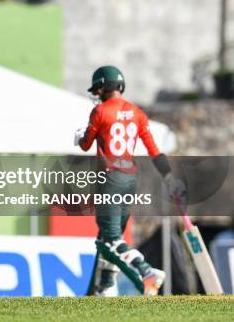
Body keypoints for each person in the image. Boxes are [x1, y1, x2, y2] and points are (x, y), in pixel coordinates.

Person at [75, 65, 185, 297]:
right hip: (130, 180)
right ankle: (103, 288)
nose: (97, 93)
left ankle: (146, 272)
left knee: (110, 241)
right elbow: (155, 151)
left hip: (110, 180)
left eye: (98, 88)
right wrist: (169, 177)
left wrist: (79, 137)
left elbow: (86, 144)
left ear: (103, 86)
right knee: (107, 237)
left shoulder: (100, 112)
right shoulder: (137, 113)